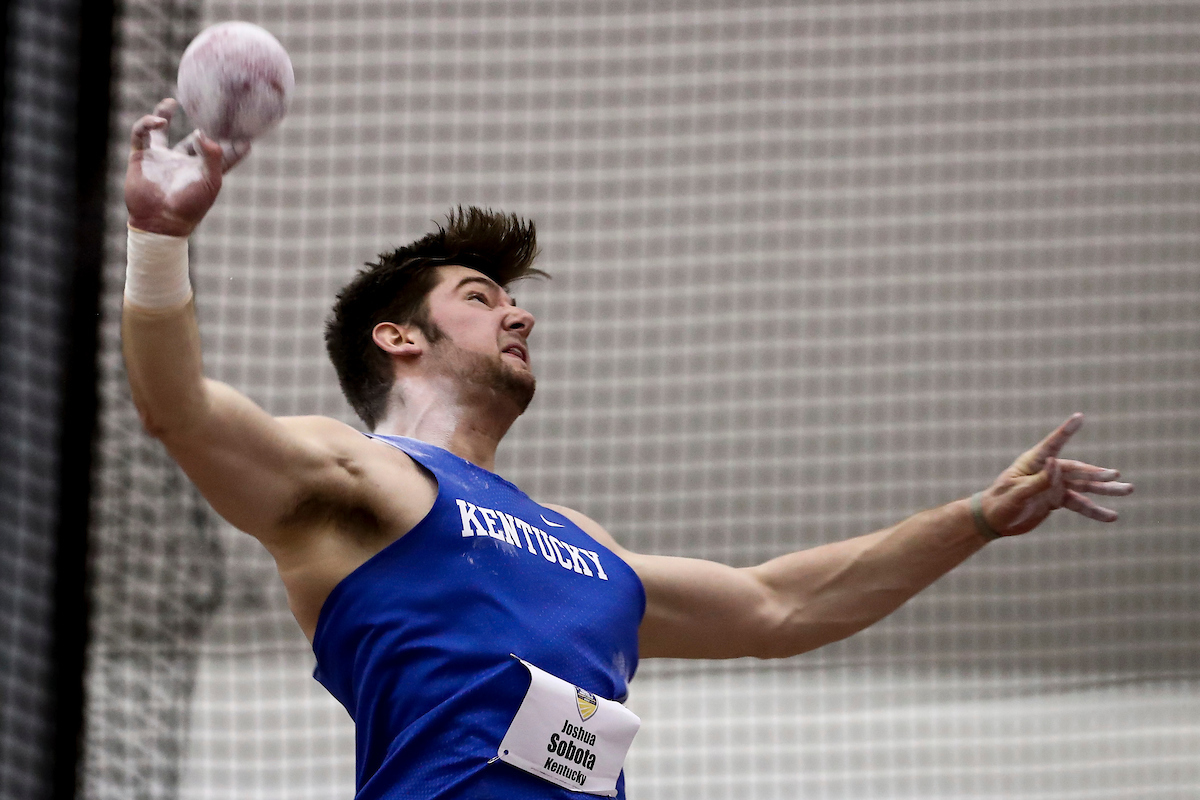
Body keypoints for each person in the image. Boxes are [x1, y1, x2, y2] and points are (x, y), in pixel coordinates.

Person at [122, 99, 1133, 800]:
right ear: (400, 338)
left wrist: (975, 519)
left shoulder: (578, 539)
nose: (517, 317)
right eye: (481, 299)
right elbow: (180, 410)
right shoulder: (355, 478)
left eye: (515, 301)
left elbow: (781, 604)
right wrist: (161, 237)